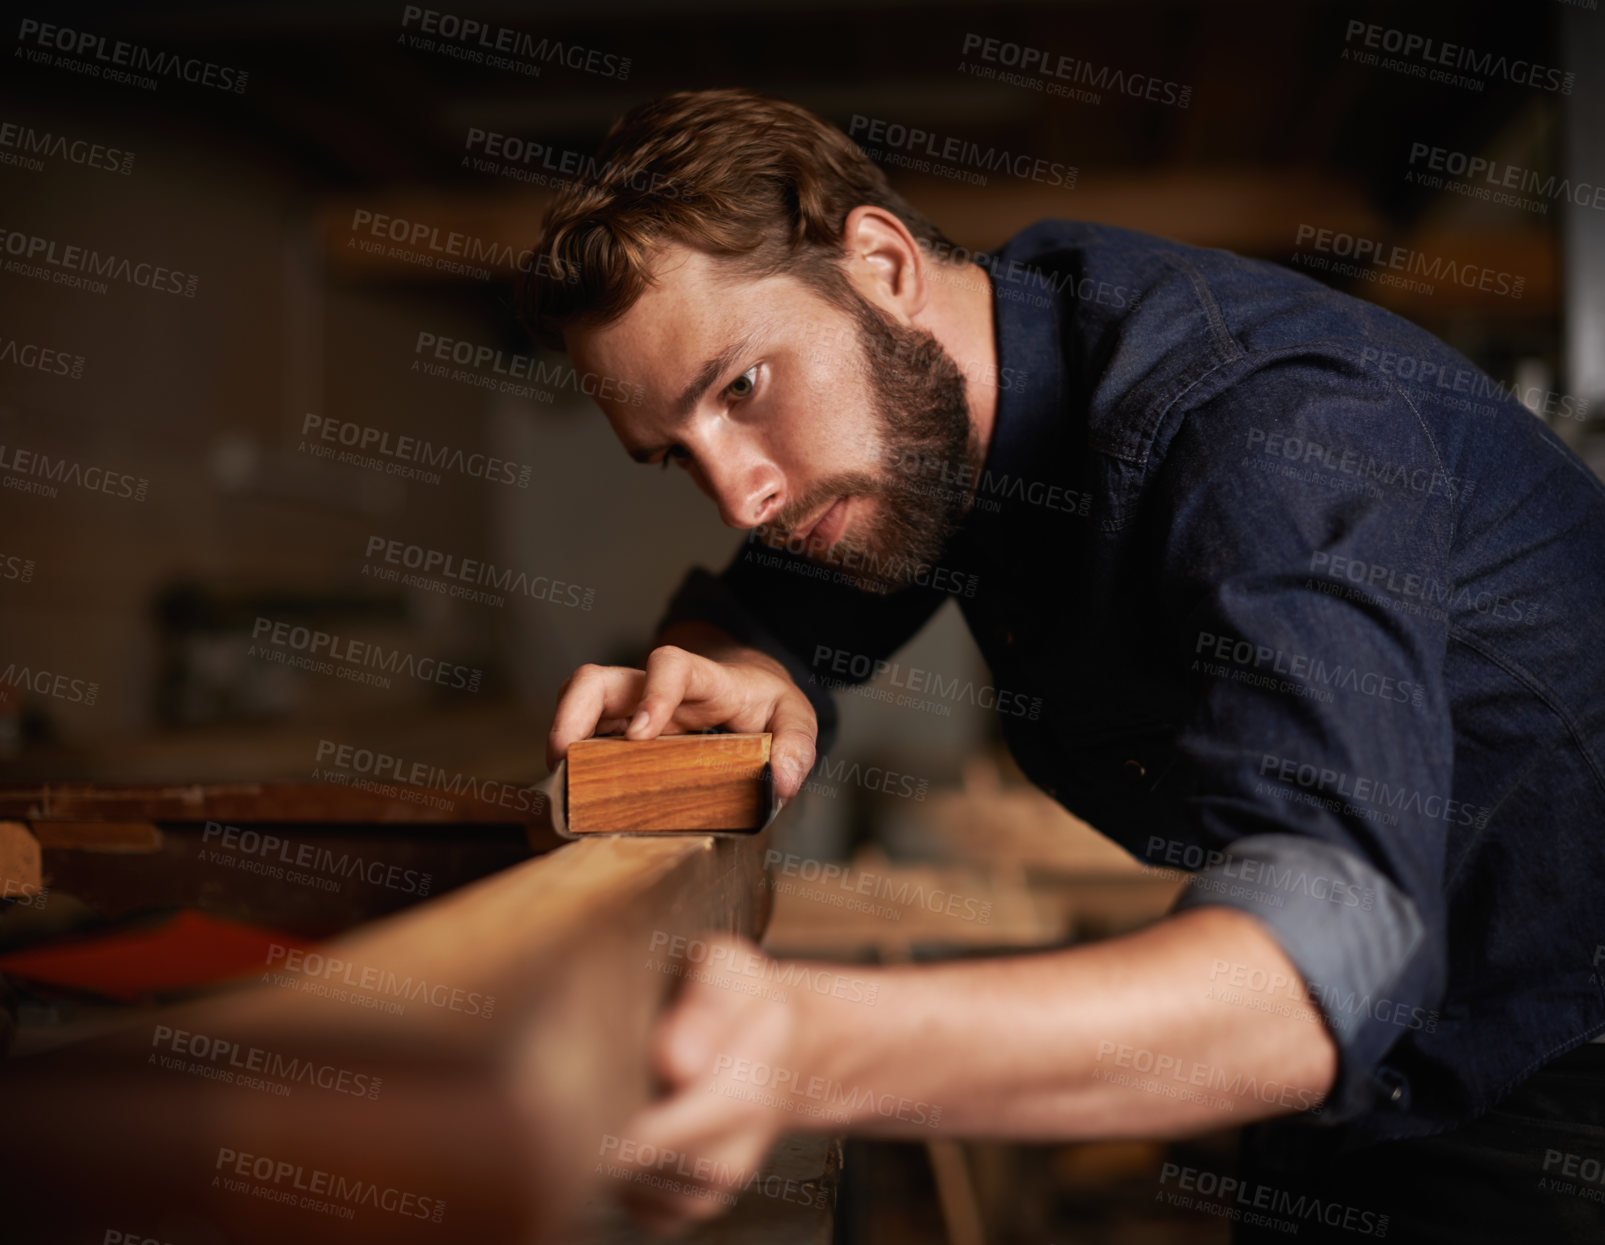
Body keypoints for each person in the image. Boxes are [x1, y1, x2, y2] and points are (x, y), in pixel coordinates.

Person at [518, 87, 1605, 1240]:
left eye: (741, 389)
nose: (740, 493)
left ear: (881, 264)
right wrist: (746, 666)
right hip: (1366, 1072)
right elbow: (775, 616)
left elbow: (1314, 971)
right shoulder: (945, 390)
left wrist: (814, 1046)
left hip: (1558, 1065)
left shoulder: (1260, 432)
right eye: (674, 455)